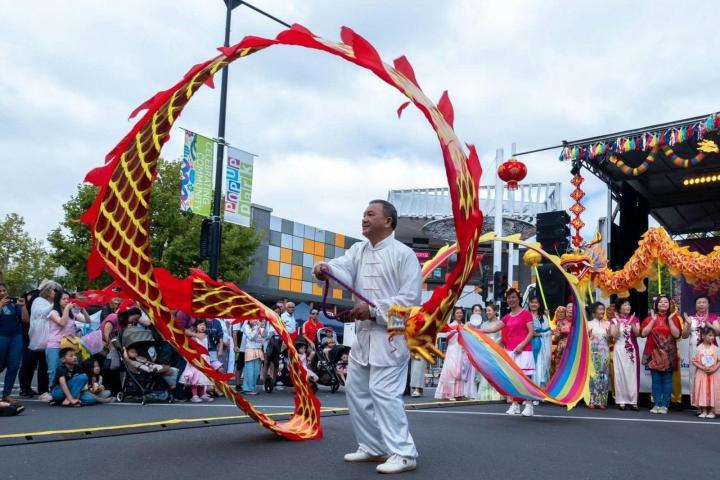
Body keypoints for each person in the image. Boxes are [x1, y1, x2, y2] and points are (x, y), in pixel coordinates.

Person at [313, 199, 420, 474]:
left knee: (384, 393)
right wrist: (326, 268)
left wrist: (373, 311)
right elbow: (342, 268)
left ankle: (404, 453)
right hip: (362, 337)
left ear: (388, 221)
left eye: (370, 214)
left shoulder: (403, 254)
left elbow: (409, 303)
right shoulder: (358, 250)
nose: (364, 218)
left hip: (390, 336)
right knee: (356, 390)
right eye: (363, 214)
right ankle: (372, 447)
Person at [481, 288, 535, 416]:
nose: (511, 300)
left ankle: (529, 405)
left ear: (518, 298)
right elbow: (493, 328)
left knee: (525, 379)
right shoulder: (507, 317)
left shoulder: (526, 313)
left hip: (524, 351)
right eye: (509, 298)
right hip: (511, 351)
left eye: (513, 297)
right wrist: (478, 331)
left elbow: (531, 332)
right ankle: (515, 404)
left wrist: (522, 345)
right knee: (513, 379)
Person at [640, 294, 682, 414]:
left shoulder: (674, 318)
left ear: (669, 305)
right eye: (660, 302)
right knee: (656, 380)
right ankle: (656, 404)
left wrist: (669, 320)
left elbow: (676, 335)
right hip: (653, 353)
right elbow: (643, 333)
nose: (663, 304)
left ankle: (665, 405)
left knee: (667, 380)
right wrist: (653, 320)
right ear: (655, 305)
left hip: (668, 354)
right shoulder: (649, 318)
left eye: (665, 302)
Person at [46, 290, 91, 386]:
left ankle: (65, 393)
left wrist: (83, 310)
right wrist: (67, 309)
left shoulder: (71, 314)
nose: (67, 301)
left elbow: (87, 321)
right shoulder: (53, 312)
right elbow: (62, 322)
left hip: (68, 346)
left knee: (68, 370)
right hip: (55, 345)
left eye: (68, 299)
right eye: (64, 299)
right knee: (54, 370)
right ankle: (53, 391)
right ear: (58, 300)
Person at [682, 295, 720, 406]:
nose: (701, 304)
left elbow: (718, 332)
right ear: (695, 305)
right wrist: (688, 325)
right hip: (695, 350)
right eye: (699, 302)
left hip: (710, 351)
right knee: (694, 375)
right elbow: (684, 336)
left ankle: (711, 403)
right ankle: (697, 403)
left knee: (712, 375)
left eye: (704, 302)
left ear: (708, 304)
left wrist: (710, 325)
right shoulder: (690, 318)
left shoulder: (713, 317)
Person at [26, 281, 59, 402]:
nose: (56, 293)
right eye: (54, 290)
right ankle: (28, 388)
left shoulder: (54, 303)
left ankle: (44, 390)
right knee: (31, 363)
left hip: (52, 337)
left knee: (46, 365)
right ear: (48, 291)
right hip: (39, 337)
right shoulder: (39, 301)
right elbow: (42, 314)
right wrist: (55, 304)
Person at [435, 307, 475, 401]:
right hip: (453, 350)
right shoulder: (451, 325)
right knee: (452, 371)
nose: (459, 314)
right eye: (457, 313)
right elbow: (447, 336)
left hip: (461, 351)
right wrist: (456, 331)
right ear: (453, 315)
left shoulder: (464, 326)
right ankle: (449, 393)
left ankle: (458, 393)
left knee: (459, 371)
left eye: (461, 313)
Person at [179, 319, 221, 402]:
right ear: (196, 327)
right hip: (196, 360)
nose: (202, 327)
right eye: (200, 325)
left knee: (203, 377)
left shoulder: (206, 337)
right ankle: (194, 395)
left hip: (205, 359)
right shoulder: (194, 338)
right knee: (195, 378)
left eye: (204, 325)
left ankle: (202, 394)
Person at [0, 282, 27, 406]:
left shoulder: (12, 303)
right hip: (1, 336)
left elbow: (25, 319)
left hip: (16, 336)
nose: (2, 293)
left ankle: (6, 394)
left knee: (14, 364)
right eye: (0, 291)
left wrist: (23, 306)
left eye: (4, 290)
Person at [611, 299, 640, 410]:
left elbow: (638, 334)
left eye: (629, 304)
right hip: (619, 349)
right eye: (625, 305)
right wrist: (618, 322)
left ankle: (633, 401)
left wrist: (632, 322)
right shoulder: (613, 320)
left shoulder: (635, 319)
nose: (628, 306)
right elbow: (614, 335)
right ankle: (621, 400)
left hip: (632, 350)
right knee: (620, 374)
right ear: (619, 308)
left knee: (632, 375)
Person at [474, 304, 504, 401]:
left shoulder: (500, 323)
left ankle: (496, 394)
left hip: (496, 351)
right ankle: (485, 394)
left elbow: (502, 337)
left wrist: (494, 345)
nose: (487, 313)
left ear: (495, 311)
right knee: (486, 373)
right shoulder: (484, 324)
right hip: (486, 351)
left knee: (495, 373)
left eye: (489, 310)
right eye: (486, 311)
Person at [691, 326, 720, 418]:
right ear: (703, 336)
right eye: (710, 335)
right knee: (702, 390)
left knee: (713, 390)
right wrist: (702, 368)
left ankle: (712, 411)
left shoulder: (716, 348)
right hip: (702, 373)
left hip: (714, 374)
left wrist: (714, 369)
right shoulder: (698, 348)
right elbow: (694, 361)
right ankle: (703, 410)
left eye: (713, 336)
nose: (712, 337)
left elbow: (719, 361)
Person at [587, 302, 611, 409]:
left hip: (604, 352)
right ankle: (592, 399)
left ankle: (602, 401)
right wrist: (588, 335)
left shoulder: (608, 324)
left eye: (603, 309)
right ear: (593, 312)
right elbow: (584, 340)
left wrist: (610, 335)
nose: (602, 311)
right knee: (593, 376)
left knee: (603, 376)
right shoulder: (588, 323)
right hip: (593, 352)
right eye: (600, 309)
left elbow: (611, 340)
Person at [529, 296, 552, 390]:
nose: (534, 304)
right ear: (529, 303)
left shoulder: (543, 318)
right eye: (532, 302)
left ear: (539, 305)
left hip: (539, 346)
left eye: (536, 302)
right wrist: (531, 333)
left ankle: (537, 391)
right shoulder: (525, 315)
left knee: (538, 367)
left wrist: (537, 334)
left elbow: (547, 332)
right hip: (527, 345)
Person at [241, 319, 265, 395]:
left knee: (256, 371)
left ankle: (253, 387)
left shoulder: (259, 326)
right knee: (249, 370)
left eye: (256, 319)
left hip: (258, 349)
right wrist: (257, 328)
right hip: (250, 349)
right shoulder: (246, 326)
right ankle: (247, 389)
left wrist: (263, 326)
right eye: (253, 319)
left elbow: (262, 338)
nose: (255, 320)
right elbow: (251, 337)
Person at [550, 306, 568, 375]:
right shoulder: (557, 322)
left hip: (565, 346)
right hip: (559, 345)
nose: (560, 314)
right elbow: (557, 337)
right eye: (558, 312)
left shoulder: (567, 322)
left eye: (562, 312)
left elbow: (558, 336)